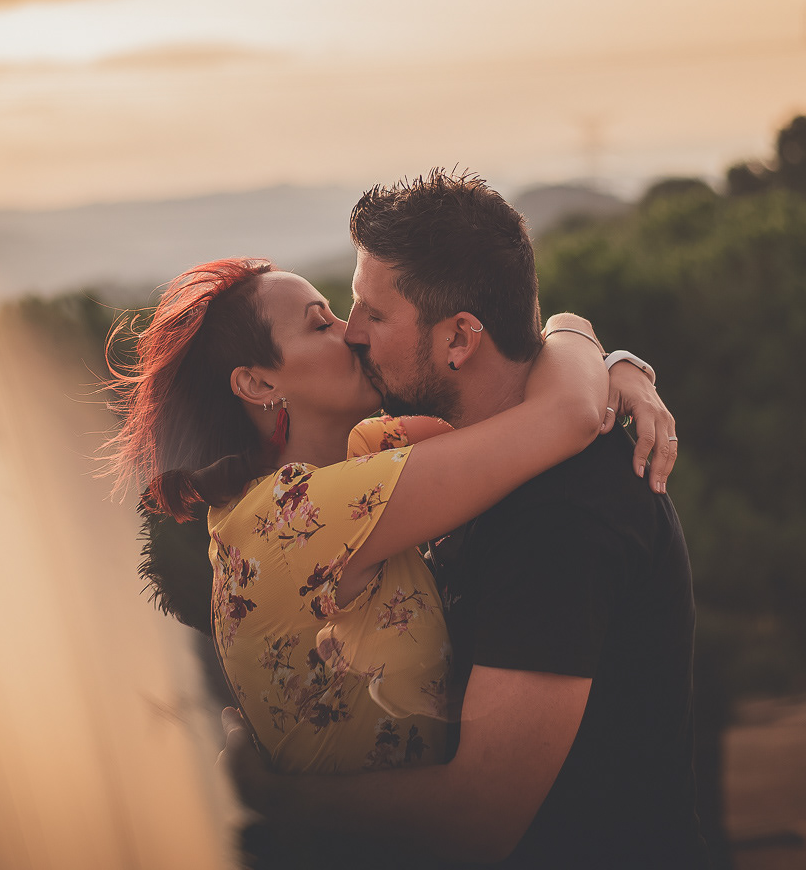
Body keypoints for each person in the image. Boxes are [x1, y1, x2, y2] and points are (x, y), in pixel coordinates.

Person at [223, 170, 707, 868]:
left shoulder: (564, 517)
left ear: (459, 339)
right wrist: (593, 345)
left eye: (374, 315)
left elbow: (475, 821)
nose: (353, 334)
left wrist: (275, 798)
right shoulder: (455, 462)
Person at [104, 257, 668, 782]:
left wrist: (617, 370)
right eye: (320, 324)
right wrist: (574, 328)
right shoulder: (295, 513)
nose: (351, 332)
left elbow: (512, 407)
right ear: (259, 384)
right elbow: (565, 414)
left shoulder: (353, 454)